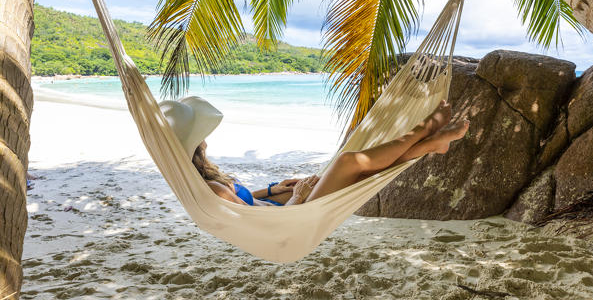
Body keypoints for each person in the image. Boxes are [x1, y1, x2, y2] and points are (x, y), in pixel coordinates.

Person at [159, 97, 469, 207]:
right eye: (201, 136)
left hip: (281, 205)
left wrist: (273, 188)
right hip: (288, 217)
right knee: (349, 162)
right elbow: (256, 220)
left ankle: (429, 142)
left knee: (358, 172)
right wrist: (297, 198)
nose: (206, 140)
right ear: (193, 145)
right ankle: (424, 132)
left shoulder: (205, 182)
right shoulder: (211, 187)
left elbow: (242, 203)